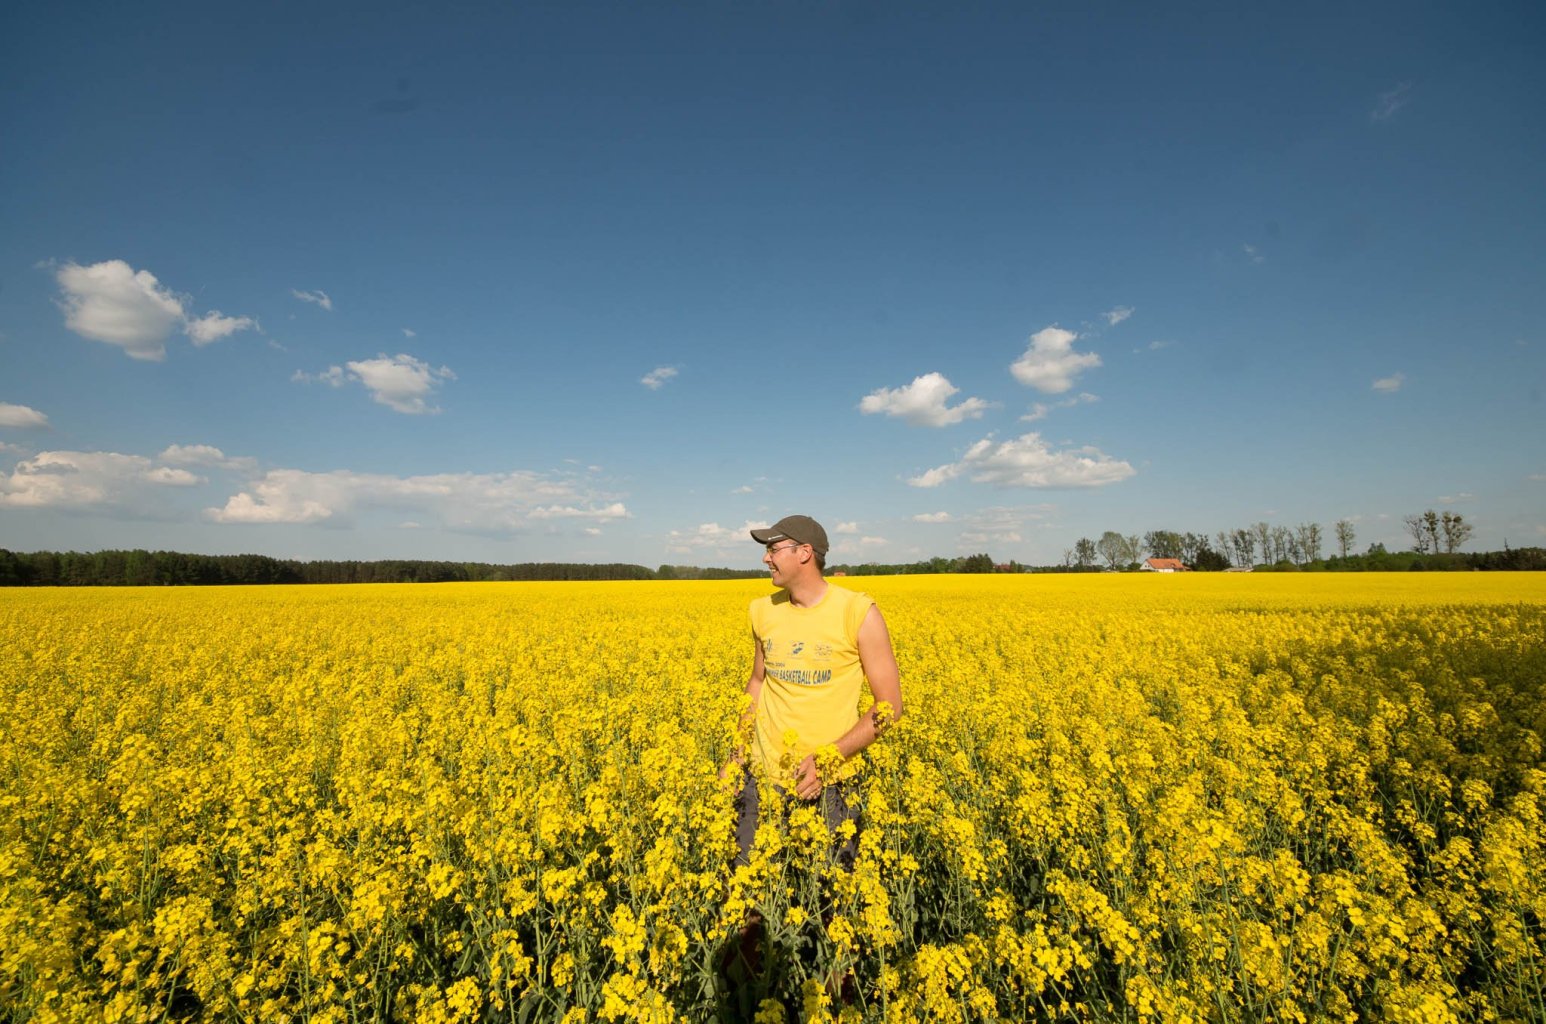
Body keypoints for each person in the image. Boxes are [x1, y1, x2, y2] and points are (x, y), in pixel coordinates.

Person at [726, 514, 904, 868]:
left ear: (804, 552)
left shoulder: (858, 612)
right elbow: (757, 683)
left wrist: (829, 759)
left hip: (828, 785)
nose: (765, 558)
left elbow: (890, 706)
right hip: (761, 781)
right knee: (748, 900)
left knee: (829, 901)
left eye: (773, 549)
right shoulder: (762, 610)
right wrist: (736, 754)